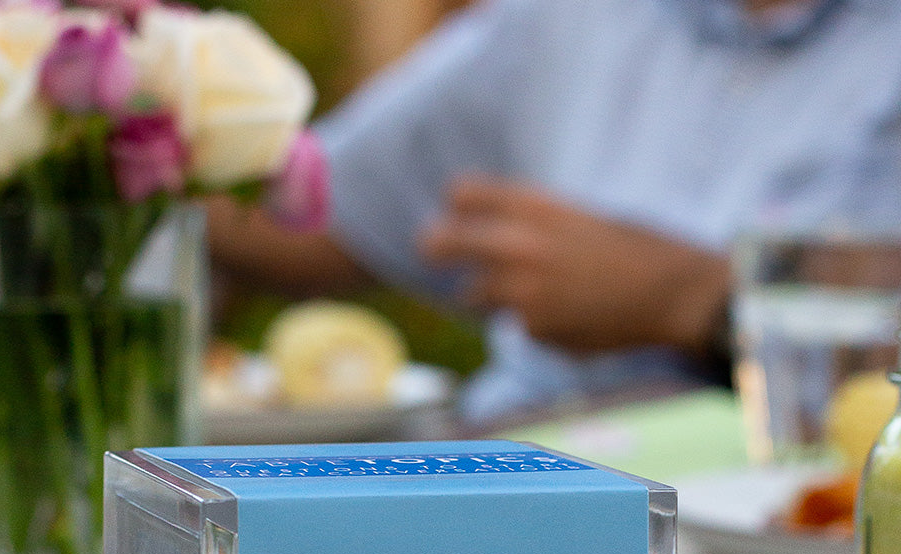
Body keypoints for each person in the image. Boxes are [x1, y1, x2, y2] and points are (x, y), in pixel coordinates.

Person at [210, 0, 901, 424]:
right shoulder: (561, 17)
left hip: (812, 550)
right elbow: (308, 211)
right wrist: (137, 119)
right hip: (512, 491)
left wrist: (697, 300)